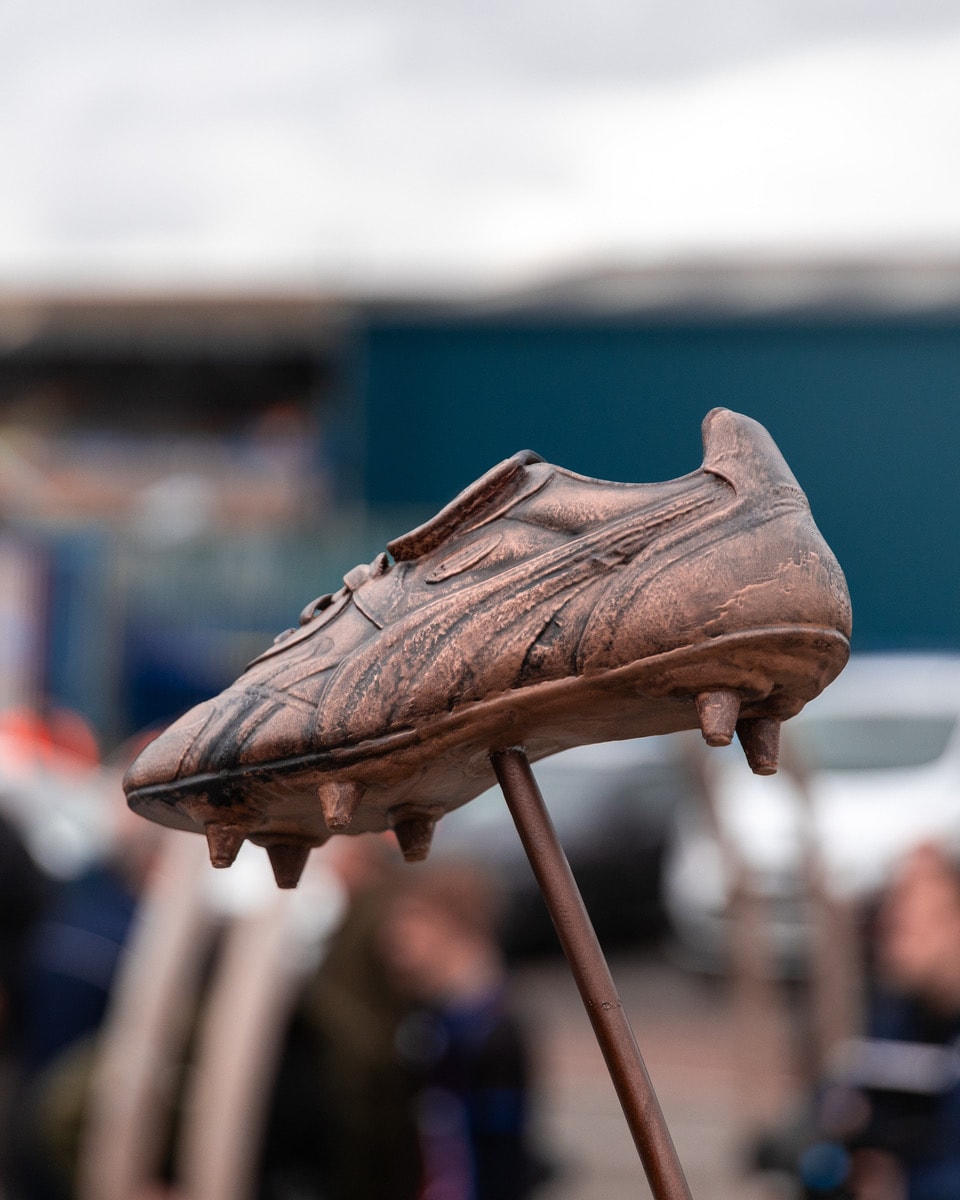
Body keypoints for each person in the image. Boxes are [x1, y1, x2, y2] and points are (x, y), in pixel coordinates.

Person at [377, 860, 551, 1200]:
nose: (392, 936)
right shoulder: (429, 1011)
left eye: (411, 917)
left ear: (453, 924)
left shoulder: (492, 1030)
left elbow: (502, 1156)